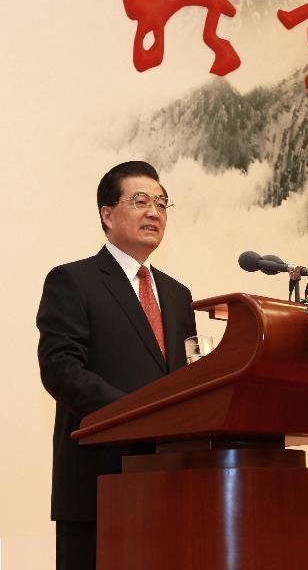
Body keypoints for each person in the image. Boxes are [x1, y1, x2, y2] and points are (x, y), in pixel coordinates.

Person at [37, 161, 196, 570]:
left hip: (168, 481)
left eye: (162, 203)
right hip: (98, 484)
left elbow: (183, 378)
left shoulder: (178, 295)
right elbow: (61, 369)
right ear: (107, 214)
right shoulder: (74, 281)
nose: (154, 212)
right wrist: (134, 415)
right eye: (140, 201)